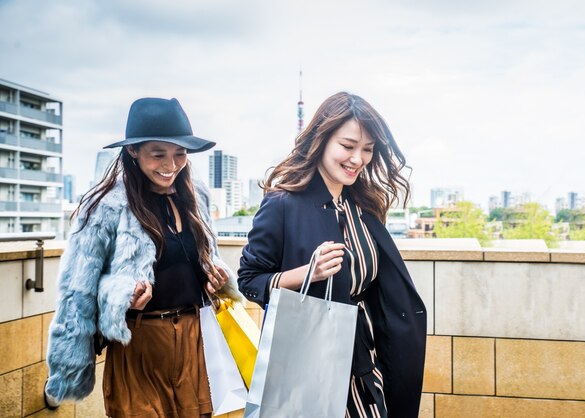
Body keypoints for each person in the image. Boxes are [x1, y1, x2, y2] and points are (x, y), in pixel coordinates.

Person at [44, 97, 243, 418]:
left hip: (195, 340)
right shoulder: (103, 207)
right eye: (158, 154)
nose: (171, 164)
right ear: (133, 151)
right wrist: (122, 297)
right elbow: (77, 293)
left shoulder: (197, 196)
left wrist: (215, 278)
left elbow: (202, 259)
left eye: (180, 154)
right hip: (139, 344)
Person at [238, 91, 427, 417]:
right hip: (308, 368)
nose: (358, 159)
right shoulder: (282, 204)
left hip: (365, 364)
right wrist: (307, 273)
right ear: (322, 140)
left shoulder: (366, 206)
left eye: (367, 150)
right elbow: (249, 280)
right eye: (348, 146)